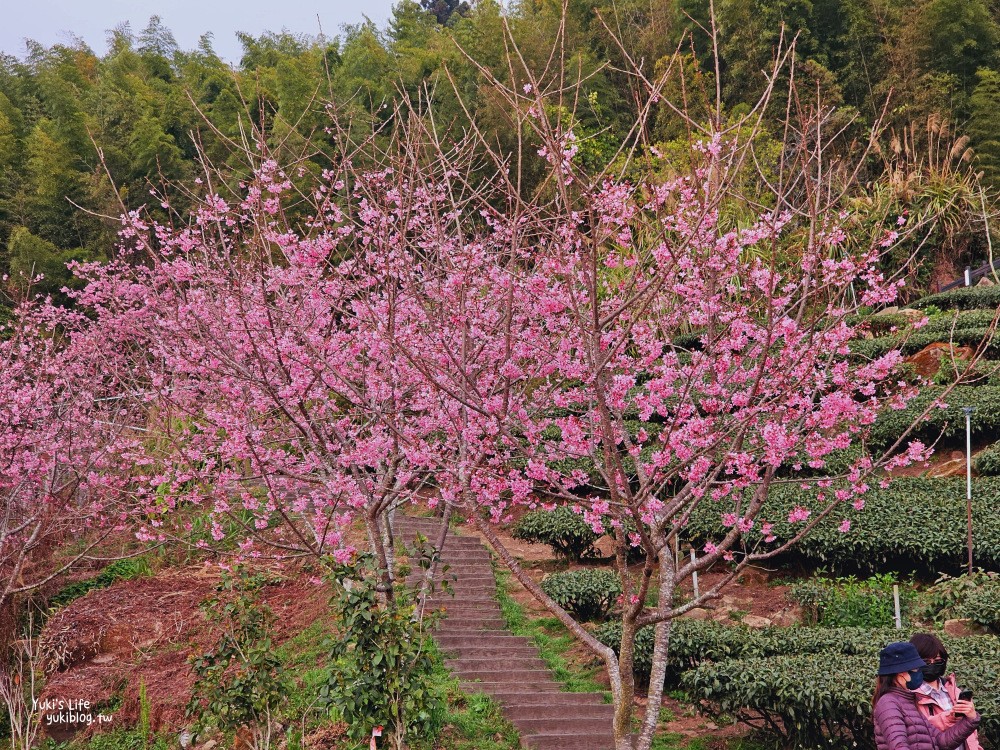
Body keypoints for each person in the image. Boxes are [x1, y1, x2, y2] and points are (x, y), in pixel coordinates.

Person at [873, 641, 980, 750]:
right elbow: (899, 746)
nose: (919, 672)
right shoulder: (888, 703)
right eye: (915, 669)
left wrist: (970, 720)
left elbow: (940, 741)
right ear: (901, 674)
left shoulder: (908, 701)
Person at [910, 633, 983, 750]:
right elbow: (918, 731)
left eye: (938, 661)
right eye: (926, 662)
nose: (932, 665)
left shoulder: (954, 691)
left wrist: (972, 717)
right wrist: (950, 717)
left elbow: (972, 736)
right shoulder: (909, 696)